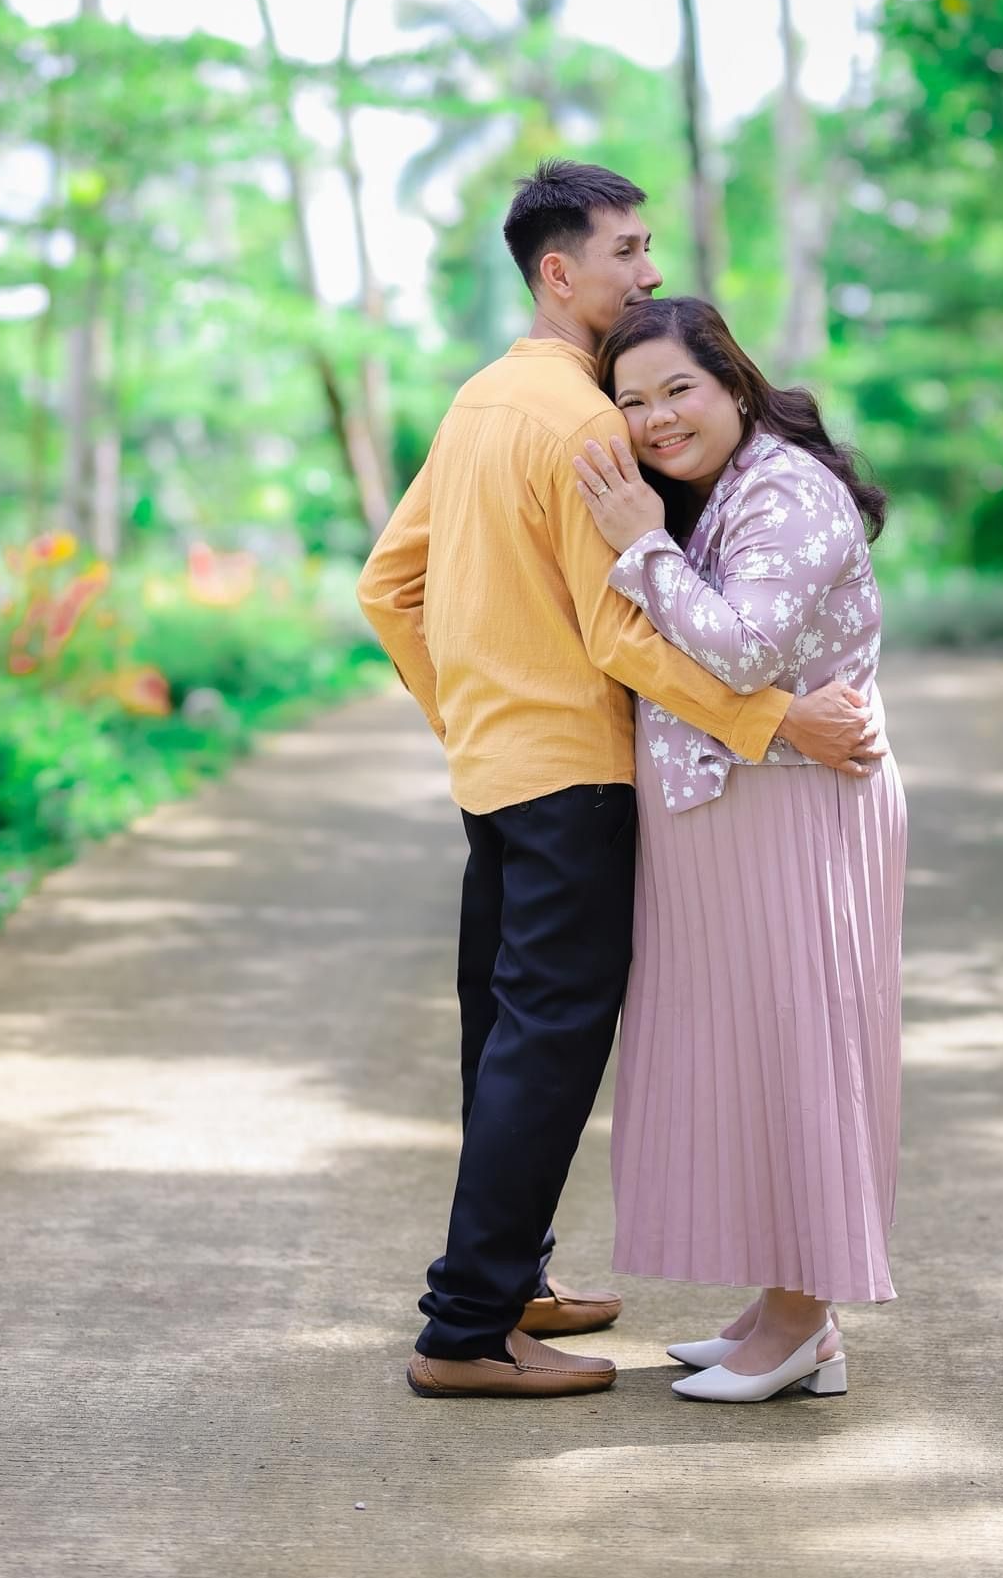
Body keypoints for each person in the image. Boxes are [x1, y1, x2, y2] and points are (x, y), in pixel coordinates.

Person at [356, 161, 884, 1401]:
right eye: (627, 251)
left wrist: (467, 716)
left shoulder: (480, 401)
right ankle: (468, 1327)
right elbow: (623, 635)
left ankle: (508, 1279)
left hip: (497, 770)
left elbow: (387, 587)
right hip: (577, 776)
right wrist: (775, 720)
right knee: (546, 1046)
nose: (649, 271)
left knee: (506, 1036)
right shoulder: (590, 422)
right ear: (560, 271)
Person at [571, 295, 906, 1405]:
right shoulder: (720, 489)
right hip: (748, 805)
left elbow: (747, 647)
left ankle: (805, 1322)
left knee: (797, 1049)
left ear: (734, 383)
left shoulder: (785, 491)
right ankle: (784, 1307)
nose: (657, 419)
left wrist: (640, 545)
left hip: (795, 810)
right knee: (756, 1055)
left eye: (679, 389)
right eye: (633, 403)